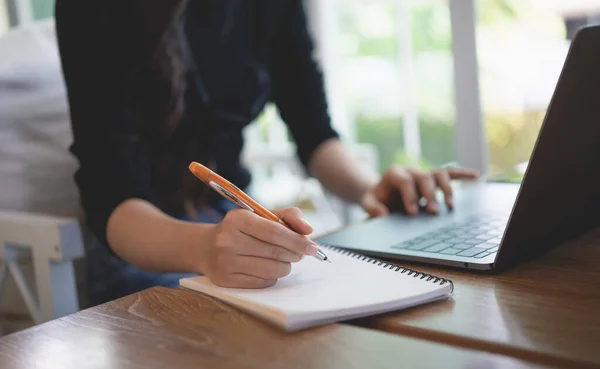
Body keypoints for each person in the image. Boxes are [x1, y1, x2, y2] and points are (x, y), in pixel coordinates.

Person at [54, 0, 479, 306]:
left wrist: (370, 188)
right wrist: (204, 247)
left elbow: (314, 131)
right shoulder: (93, 10)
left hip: (227, 230)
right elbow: (110, 196)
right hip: (143, 245)